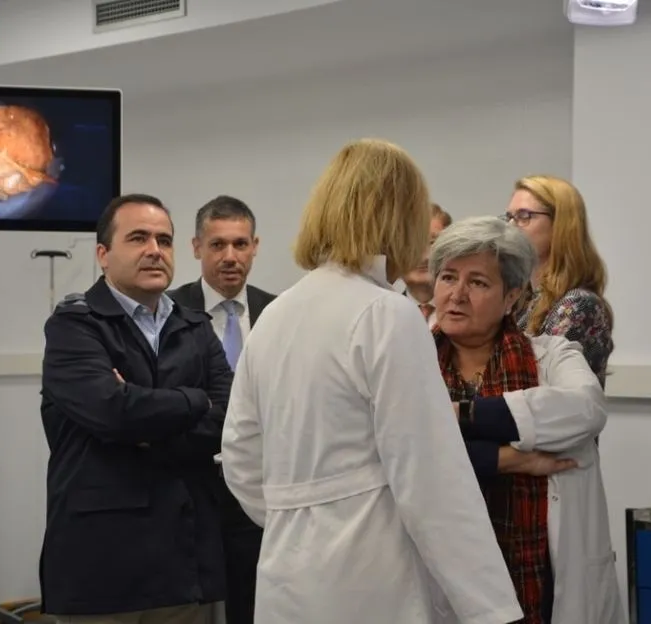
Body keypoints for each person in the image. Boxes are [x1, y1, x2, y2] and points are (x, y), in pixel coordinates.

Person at [220, 138, 523, 624]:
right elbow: (432, 480)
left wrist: (299, 511)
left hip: (286, 574)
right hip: (370, 576)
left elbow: (239, 457)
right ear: (401, 219)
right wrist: (493, 609)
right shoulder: (386, 314)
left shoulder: (275, 315)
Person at [39, 193, 234, 624]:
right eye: (138, 238)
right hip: (103, 565)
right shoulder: (74, 326)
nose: (154, 250)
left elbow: (229, 419)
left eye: (164, 240)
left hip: (185, 560)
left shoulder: (195, 328)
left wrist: (145, 425)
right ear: (103, 255)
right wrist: (195, 399)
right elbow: (113, 411)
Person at [429, 216, 624, 623]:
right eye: (448, 277)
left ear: (512, 296)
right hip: (443, 579)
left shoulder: (551, 356)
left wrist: (460, 415)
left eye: (478, 282)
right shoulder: (411, 361)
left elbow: (586, 408)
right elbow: (397, 453)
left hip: (538, 579)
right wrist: (505, 459)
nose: (457, 295)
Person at [168, 195, 276, 624]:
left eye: (240, 244)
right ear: (197, 247)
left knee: (250, 602)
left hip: (260, 485)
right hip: (192, 482)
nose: (230, 256)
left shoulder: (279, 312)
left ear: (255, 246)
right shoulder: (169, 311)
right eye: (217, 245)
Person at [505, 175, 614, 385]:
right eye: (509, 217)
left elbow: (533, 383)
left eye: (524, 216)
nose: (510, 227)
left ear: (560, 224)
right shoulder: (521, 300)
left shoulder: (578, 304)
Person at [402, 203, 452, 325]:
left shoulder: (468, 314)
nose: (424, 257)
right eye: (412, 244)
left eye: (432, 243)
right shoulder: (383, 315)